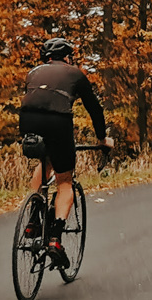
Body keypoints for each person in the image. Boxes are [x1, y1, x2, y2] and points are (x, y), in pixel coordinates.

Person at [18, 38, 109, 269]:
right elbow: (94, 108)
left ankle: (32, 219)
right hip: (58, 122)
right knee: (65, 181)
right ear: (67, 56)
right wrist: (102, 139)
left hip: (27, 120)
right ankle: (55, 239)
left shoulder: (33, 72)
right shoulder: (75, 73)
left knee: (45, 160)